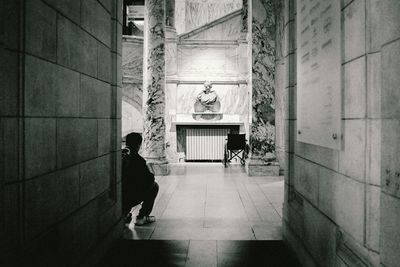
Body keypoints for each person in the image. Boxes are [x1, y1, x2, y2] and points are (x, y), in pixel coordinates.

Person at [122, 132, 159, 225]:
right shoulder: (138, 159)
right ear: (139, 145)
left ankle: (124, 214)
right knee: (154, 186)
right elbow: (149, 179)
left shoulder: (119, 155)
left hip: (120, 196)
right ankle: (142, 217)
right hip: (131, 197)